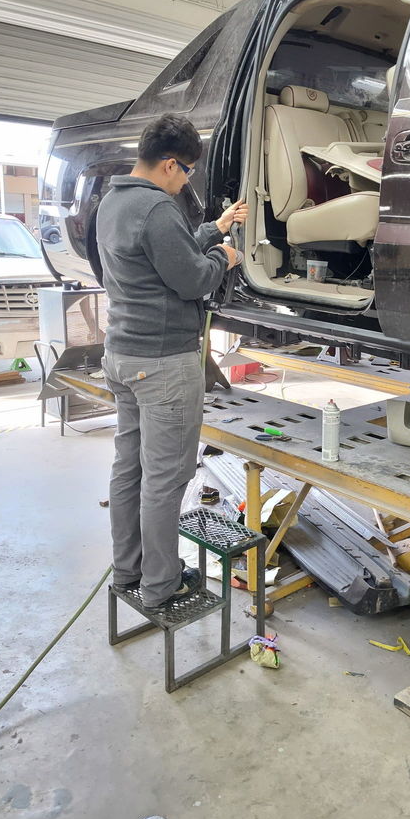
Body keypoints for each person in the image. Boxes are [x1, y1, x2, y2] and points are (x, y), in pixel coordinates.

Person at [96, 112, 247, 613]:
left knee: (128, 470)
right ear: (168, 164)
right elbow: (191, 280)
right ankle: (162, 585)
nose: (186, 181)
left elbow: (164, 256)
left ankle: (130, 568)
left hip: (122, 356)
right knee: (165, 479)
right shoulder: (158, 209)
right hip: (163, 364)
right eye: (185, 171)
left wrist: (213, 228)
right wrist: (226, 256)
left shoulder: (113, 201)